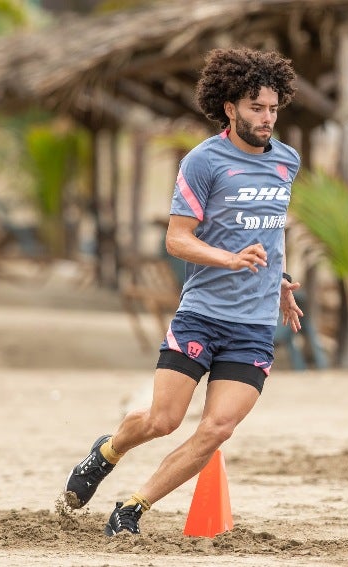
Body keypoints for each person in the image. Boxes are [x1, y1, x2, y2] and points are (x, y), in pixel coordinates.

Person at [63, 47, 304, 536]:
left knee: (217, 428)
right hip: (203, 314)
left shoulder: (287, 162)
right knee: (162, 420)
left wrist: (277, 281)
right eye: (257, 108)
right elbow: (176, 238)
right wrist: (229, 260)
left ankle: (131, 508)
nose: (267, 118)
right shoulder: (203, 161)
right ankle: (106, 451)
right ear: (231, 108)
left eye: (274, 108)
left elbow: (268, 231)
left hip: (253, 325)